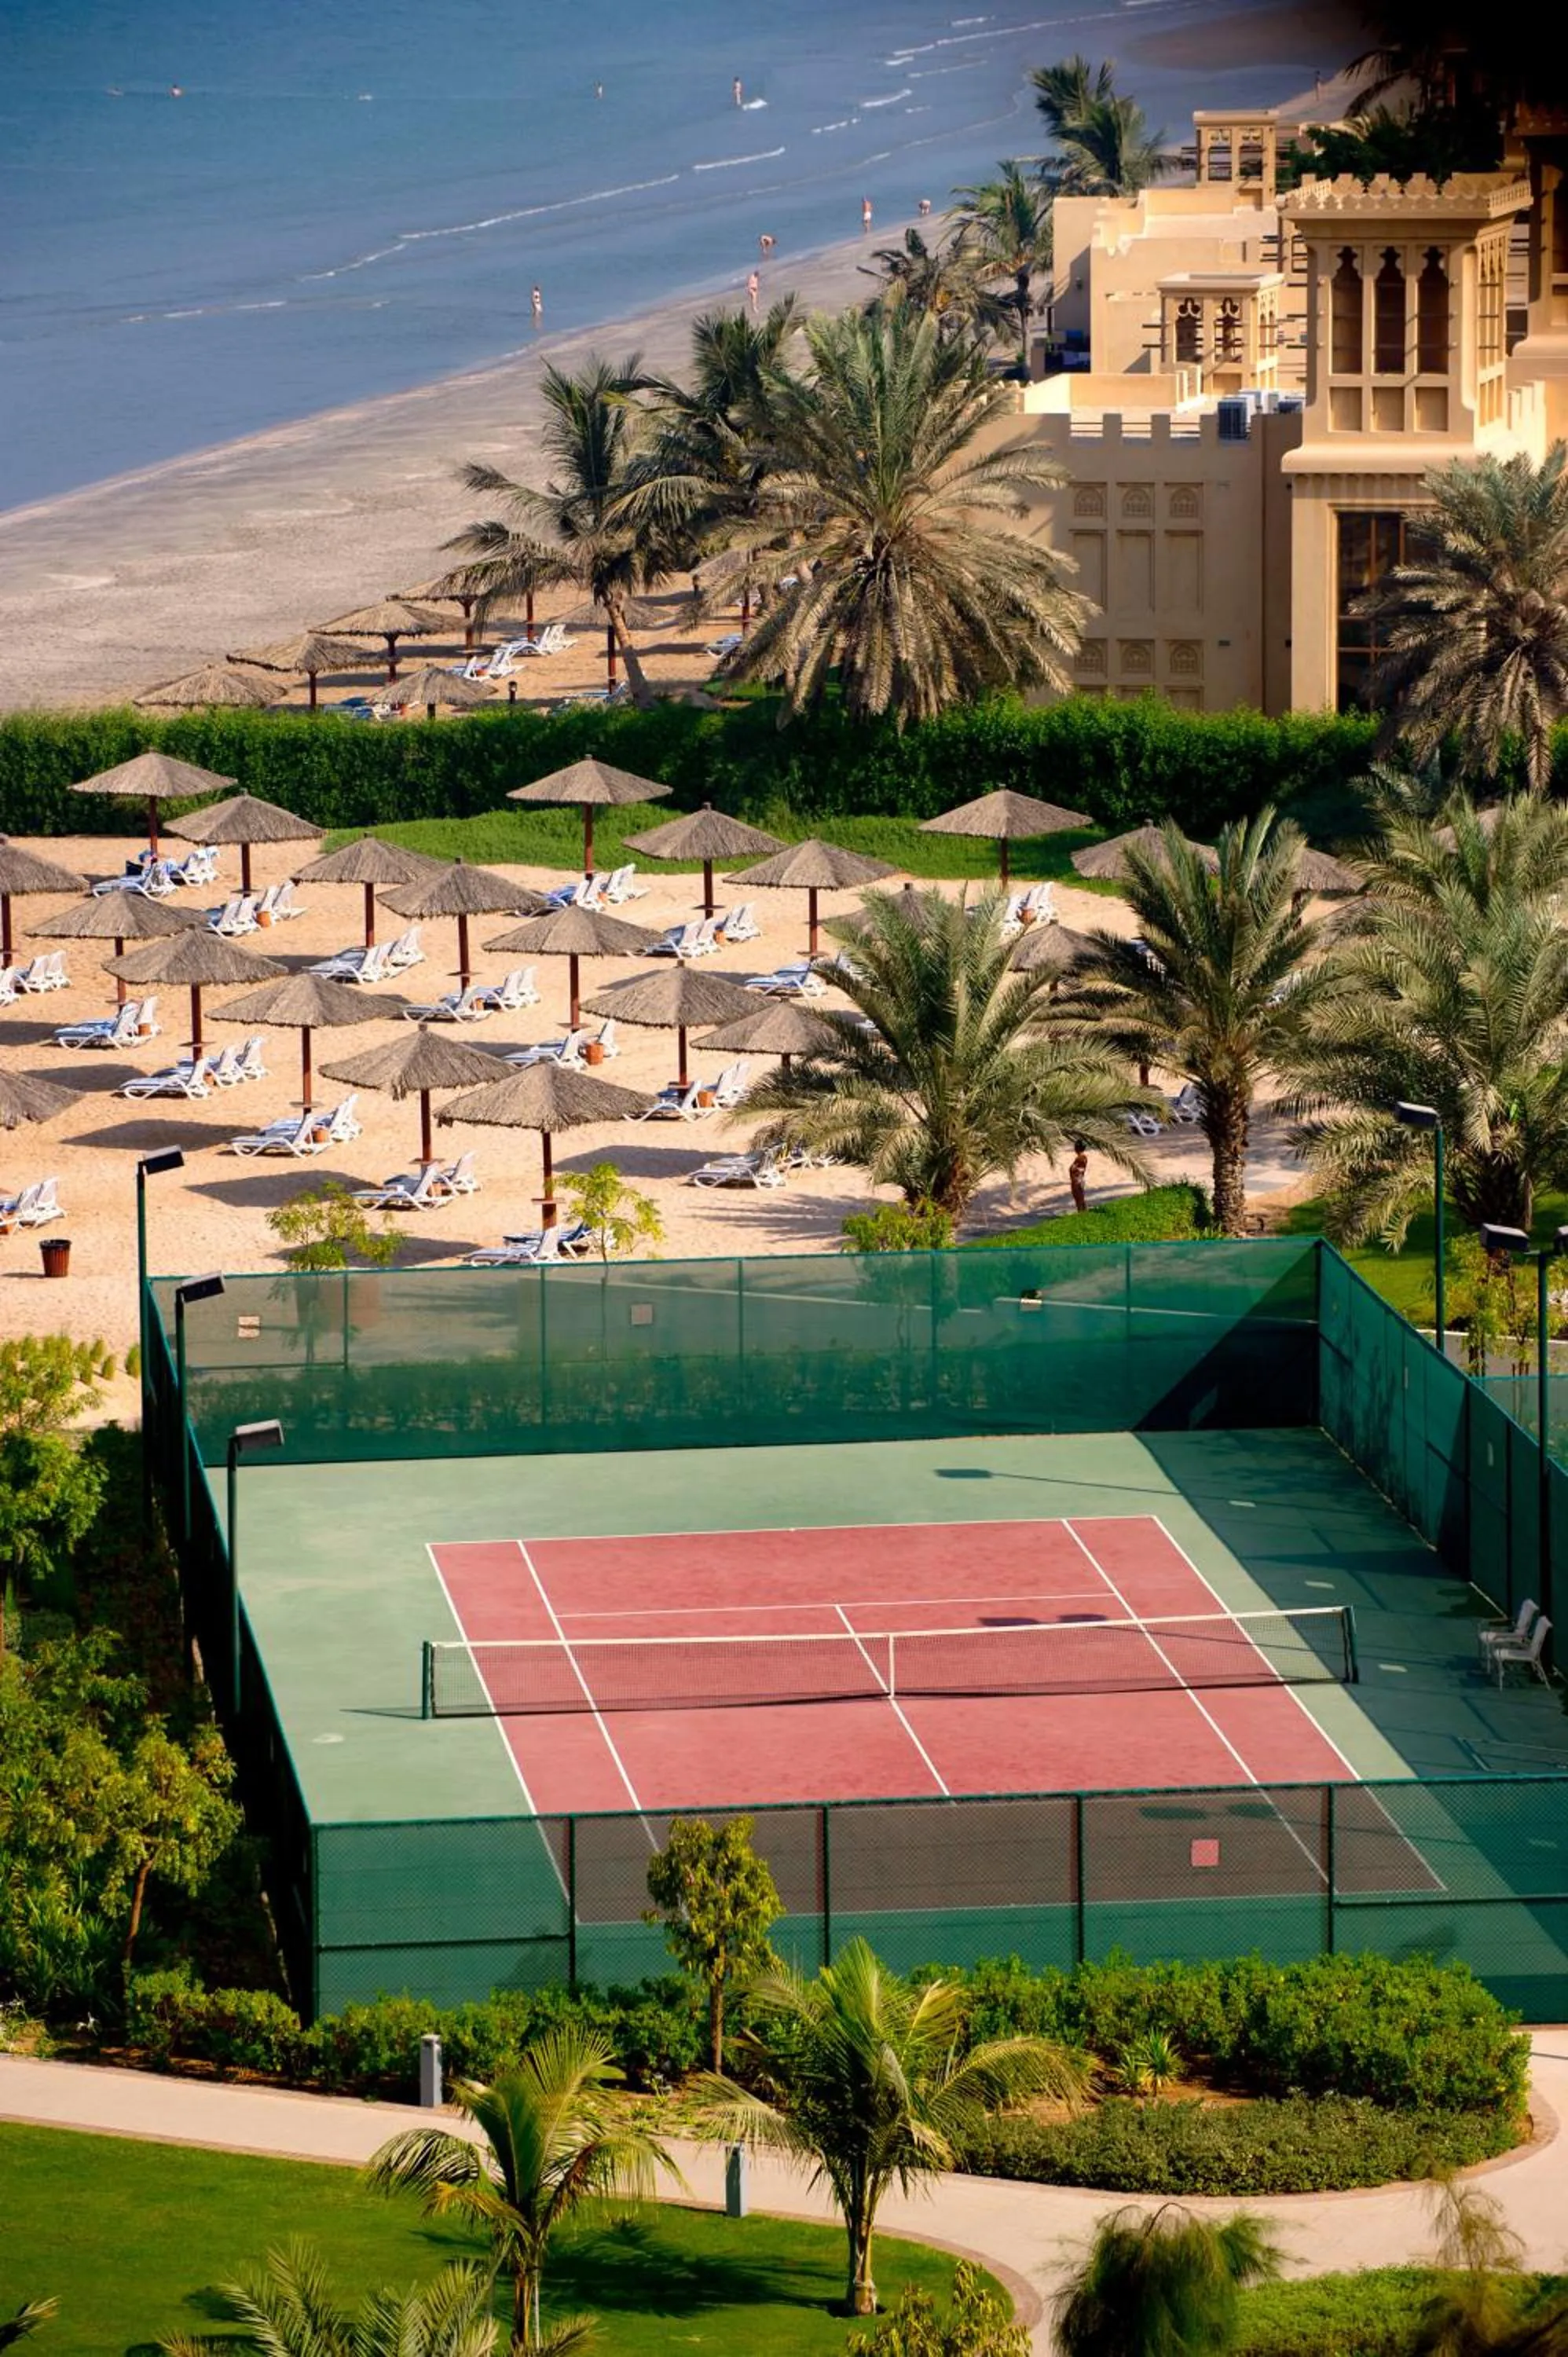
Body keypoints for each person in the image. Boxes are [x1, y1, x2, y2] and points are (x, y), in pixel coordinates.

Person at [1068, 1144, 1089, 1215]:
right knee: (1079, 1197)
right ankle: (1082, 1213)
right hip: (1078, 1179)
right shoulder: (1081, 1157)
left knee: (1079, 1198)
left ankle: (1082, 1213)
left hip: (1078, 1180)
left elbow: (1076, 1168)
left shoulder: (1081, 1157)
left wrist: (1072, 1168)